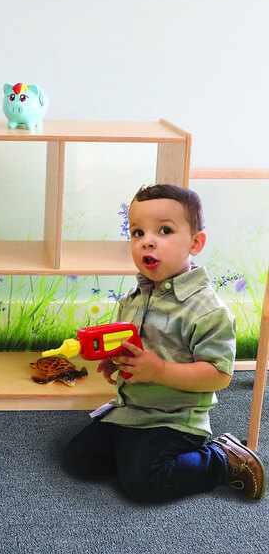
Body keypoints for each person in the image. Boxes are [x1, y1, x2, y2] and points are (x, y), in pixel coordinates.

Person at [62, 184, 266, 502]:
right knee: (77, 459)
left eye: (165, 230)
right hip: (131, 409)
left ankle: (224, 460)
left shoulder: (208, 310)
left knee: (145, 484)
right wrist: (113, 357)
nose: (147, 241)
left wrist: (158, 370)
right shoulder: (133, 297)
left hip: (175, 418)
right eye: (137, 232)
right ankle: (140, 457)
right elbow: (131, 341)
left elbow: (219, 375)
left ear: (195, 243)